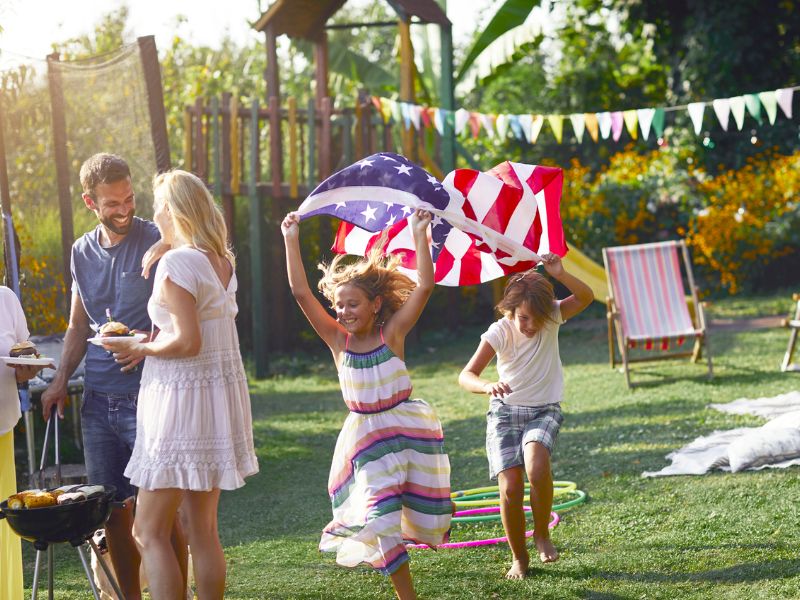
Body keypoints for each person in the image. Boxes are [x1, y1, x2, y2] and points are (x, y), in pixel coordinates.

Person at [101, 169, 258, 600]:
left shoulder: (177, 263)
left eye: (157, 208)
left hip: (178, 408)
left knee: (147, 530)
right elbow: (193, 331)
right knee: (201, 529)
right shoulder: (220, 261)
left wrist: (140, 350)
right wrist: (167, 243)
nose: (153, 216)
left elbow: (187, 342)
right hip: (212, 403)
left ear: (171, 210)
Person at [281, 208, 451, 600]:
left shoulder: (392, 333)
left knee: (420, 514)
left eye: (352, 304)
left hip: (407, 437)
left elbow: (424, 287)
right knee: (382, 518)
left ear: (375, 305)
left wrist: (420, 233)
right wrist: (291, 238)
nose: (343, 312)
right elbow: (301, 293)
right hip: (368, 443)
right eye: (339, 305)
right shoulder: (338, 343)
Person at [40, 153, 185, 600]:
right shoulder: (81, 251)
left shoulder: (156, 236)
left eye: (129, 199)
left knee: (159, 517)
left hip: (149, 394)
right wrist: (61, 379)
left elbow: (187, 301)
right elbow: (77, 326)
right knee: (113, 513)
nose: (124, 210)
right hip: (98, 402)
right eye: (112, 204)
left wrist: (150, 339)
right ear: (90, 201)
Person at [458, 255, 593, 579]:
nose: (531, 325)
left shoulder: (552, 316)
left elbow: (587, 297)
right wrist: (487, 385)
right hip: (504, 413)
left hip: (544, 410)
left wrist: (560, 273)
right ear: (510, 310)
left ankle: (542, 533)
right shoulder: (500, 331)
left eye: (537, 318)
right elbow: (466, 375)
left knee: (536, 466)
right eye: (523, 318)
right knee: (511, 487)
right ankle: (519, 557)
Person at [1, 286, 51, 600]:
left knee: (2, 532)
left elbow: (22, 357)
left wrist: (26, 372)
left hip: (0, 430)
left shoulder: (5, 298)